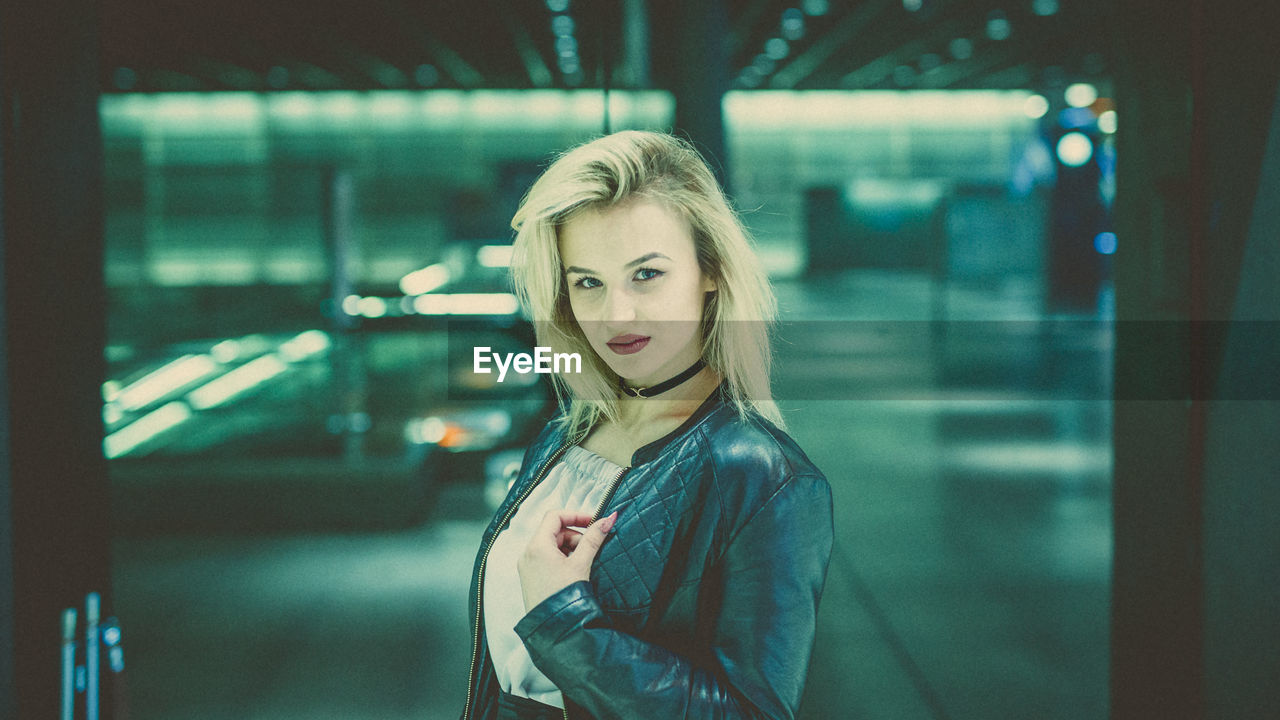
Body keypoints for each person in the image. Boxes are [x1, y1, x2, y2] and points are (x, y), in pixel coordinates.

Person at [460, 130, 833, 720]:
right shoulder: (565, 435)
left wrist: (567, 623)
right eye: (588, 282)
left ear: (709, 272)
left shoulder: (761, 476)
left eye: (647, 275)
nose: (617, 315)